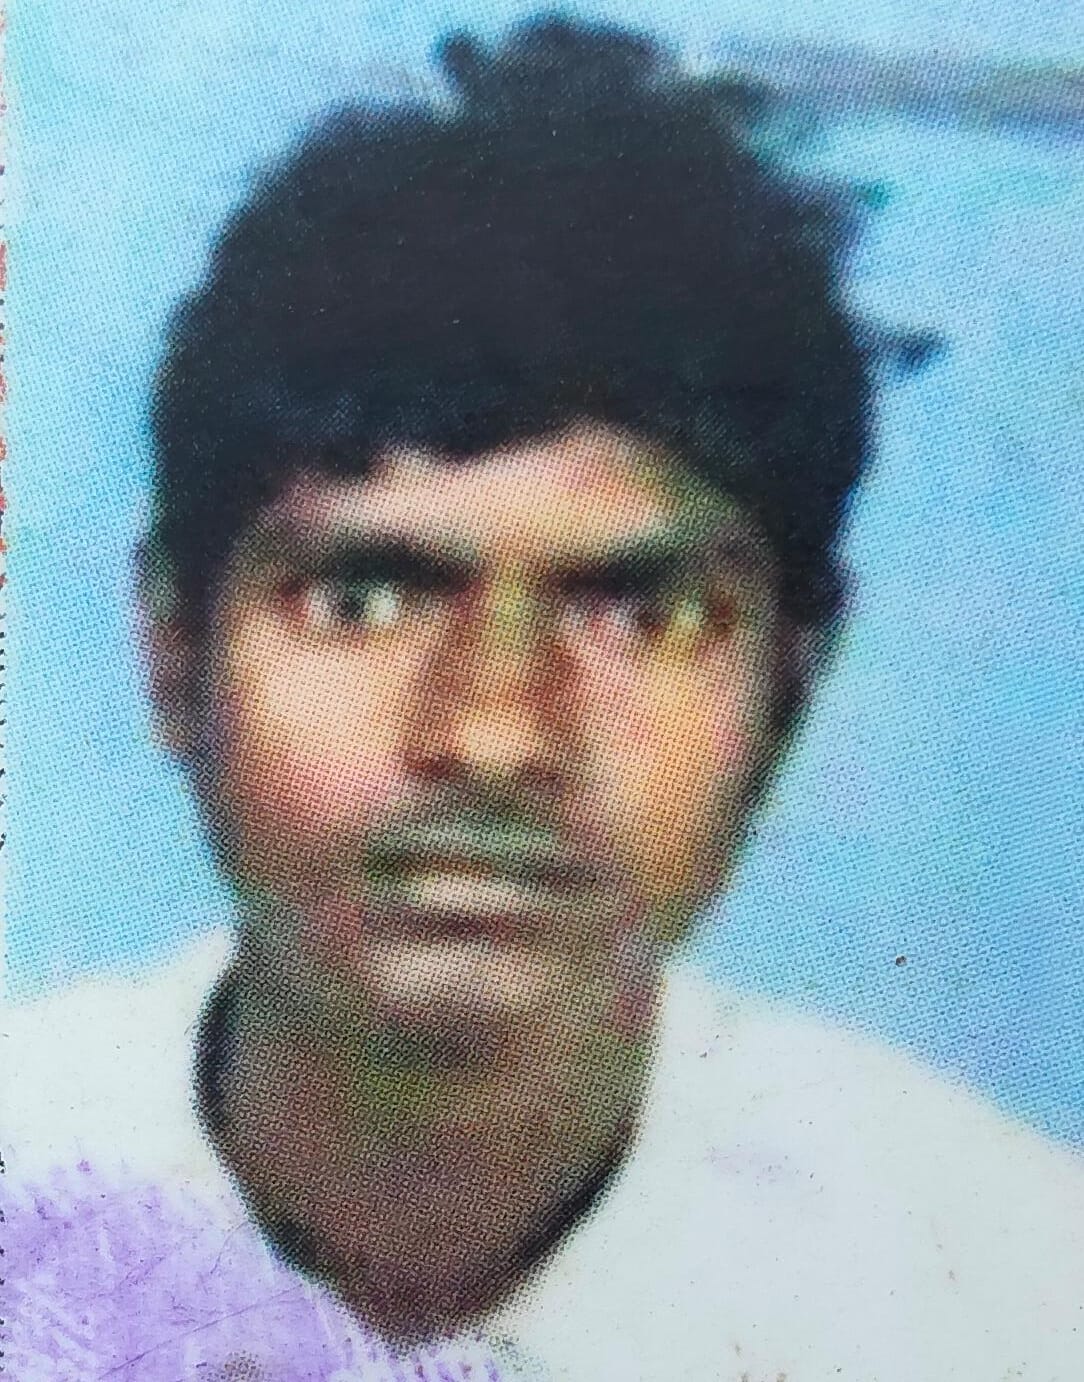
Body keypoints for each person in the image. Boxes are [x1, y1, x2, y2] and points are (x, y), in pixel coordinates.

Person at [7, 16, 1083, 1381]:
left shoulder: (1015, 1305)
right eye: (364, 597)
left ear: (790, 685)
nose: (494, 734)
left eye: (642, 611)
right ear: (173, 648)